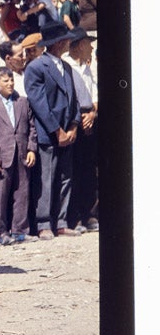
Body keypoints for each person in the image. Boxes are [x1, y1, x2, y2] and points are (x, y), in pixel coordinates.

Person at [23, 21, 81, 239]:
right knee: (46, 178)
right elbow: (39, 104)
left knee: (65, 178)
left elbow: (73, 99)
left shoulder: (66, 67)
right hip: (49, 134)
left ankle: (62, 221)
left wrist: (73, 126)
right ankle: (44, 223)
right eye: (65, 39)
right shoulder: (36, 67)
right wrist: (57, 131)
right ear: (58, 43)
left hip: (67, 132)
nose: (68, 42)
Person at [0, 68, 38, 245]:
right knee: (1, 195)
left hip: (21, 153)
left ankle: (20, 231)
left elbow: (32, 128)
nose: (11, 84)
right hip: (2, 156)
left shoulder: (23, 102)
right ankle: (0, 232)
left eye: (12, 80)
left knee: (22, 193)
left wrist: (31, 149)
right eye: (6, 81)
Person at [63, 28, 99, 231]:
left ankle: (89, 214)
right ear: (77, 46)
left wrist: (92, 115)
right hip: (72, 124)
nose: (91, 47)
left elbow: (94, 97)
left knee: (89, 171)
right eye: (87, 43)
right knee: (73, 172)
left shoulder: (87, 69)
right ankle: (74, 216)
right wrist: (79, 119)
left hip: (90, 123)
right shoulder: (67, 68)